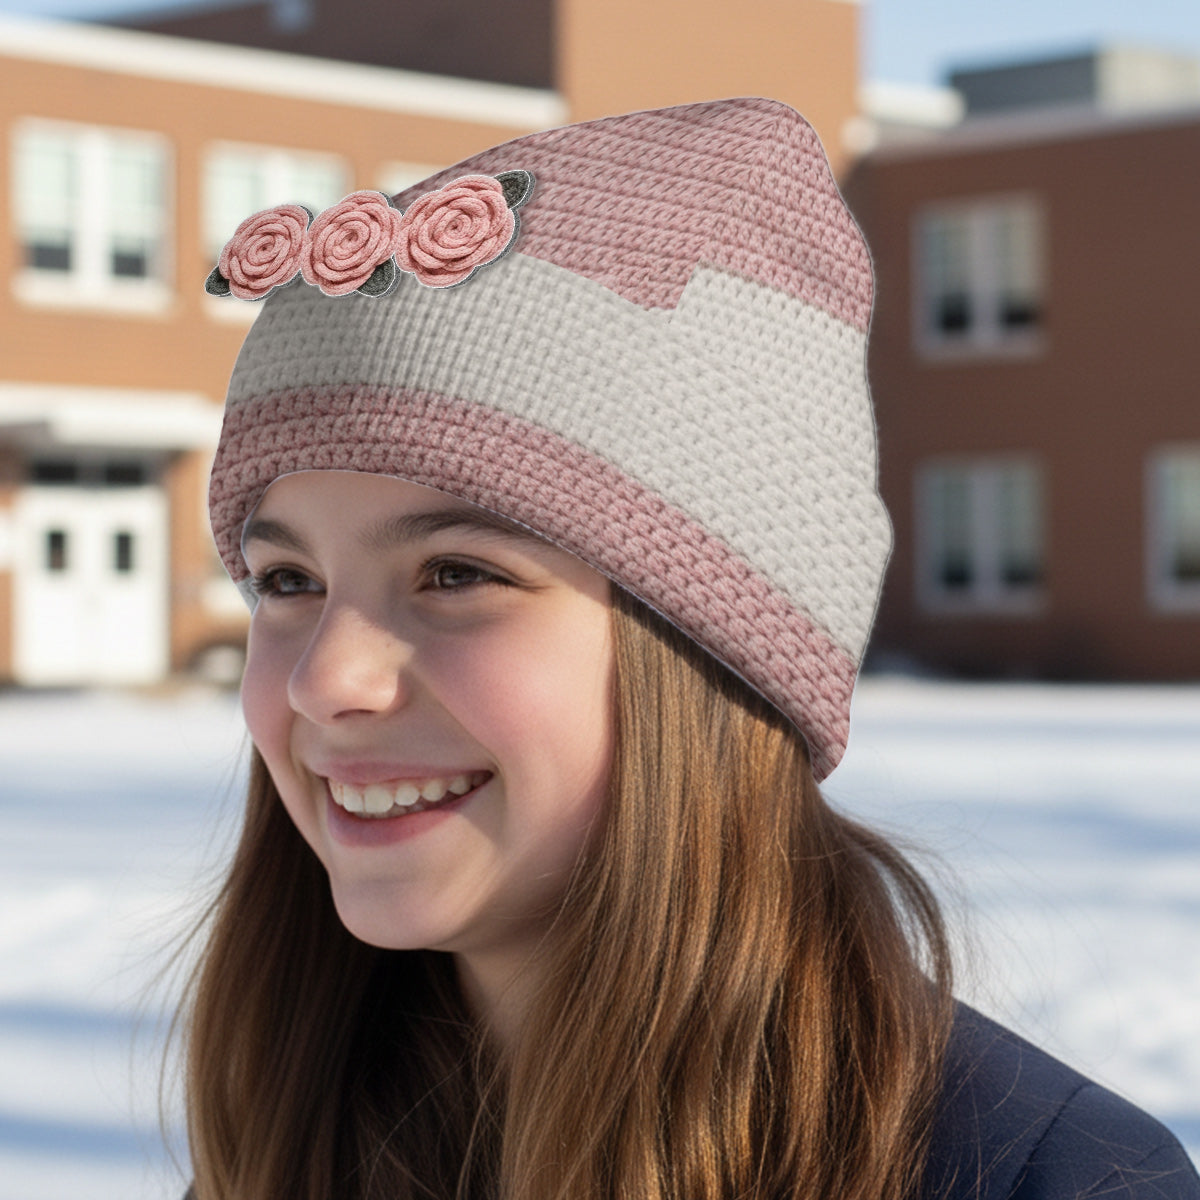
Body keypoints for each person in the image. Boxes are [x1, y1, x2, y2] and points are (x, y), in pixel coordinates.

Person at [187, 98, 1199, 1199]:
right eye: (286, 581)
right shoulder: (293, 1140)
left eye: (458, 574)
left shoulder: (1051, 1181)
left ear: (714, 653)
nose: (328, 679)